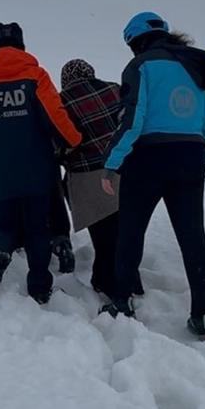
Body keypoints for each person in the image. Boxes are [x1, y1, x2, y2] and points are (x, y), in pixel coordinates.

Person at [101, 12, 205, 340]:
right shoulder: (195, 64)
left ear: (136, 41)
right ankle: (202, 316)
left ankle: (122, 302)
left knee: (131, 230)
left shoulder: (141, 67)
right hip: (191, 158)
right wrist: (198, 157)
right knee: (193, 238)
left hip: (148, 159)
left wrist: (112, 162)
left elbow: (132, 119)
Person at [0, 21, 81, 304]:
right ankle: (39, 285)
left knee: (2, 222)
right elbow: (57, 118)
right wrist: (72, 141)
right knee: (38, 227)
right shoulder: (35, 76)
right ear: (22, 45)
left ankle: (0, 249)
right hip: (36, 170)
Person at [58, 58, 142, 300]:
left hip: (88, 179)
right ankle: (131, 280)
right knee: (124, 232)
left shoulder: (62, 102)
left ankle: (110, 285)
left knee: (104, 239)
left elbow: (61, 143)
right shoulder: (115, 89)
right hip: (123, 171)